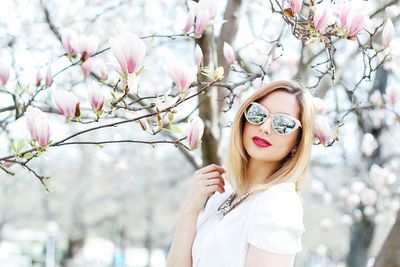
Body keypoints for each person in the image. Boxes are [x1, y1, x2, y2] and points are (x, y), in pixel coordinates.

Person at [166, 80, 316, 267]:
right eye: (258, 113)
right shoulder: (225, 193)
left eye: (283, 123)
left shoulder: (278, 203)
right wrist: (191, 208)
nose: (265, 127)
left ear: (297, 142)